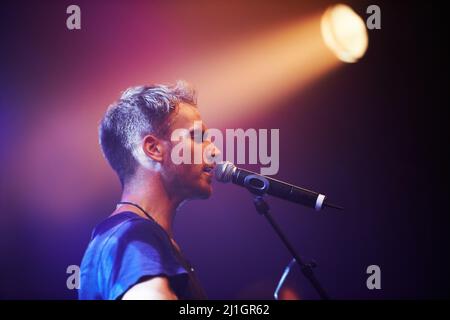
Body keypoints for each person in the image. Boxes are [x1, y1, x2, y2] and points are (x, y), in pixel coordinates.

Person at [79, 81, 220, 300]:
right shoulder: (132, 235)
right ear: (153, 149)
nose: (214, 151)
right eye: (196, 137)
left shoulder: (133, 235)